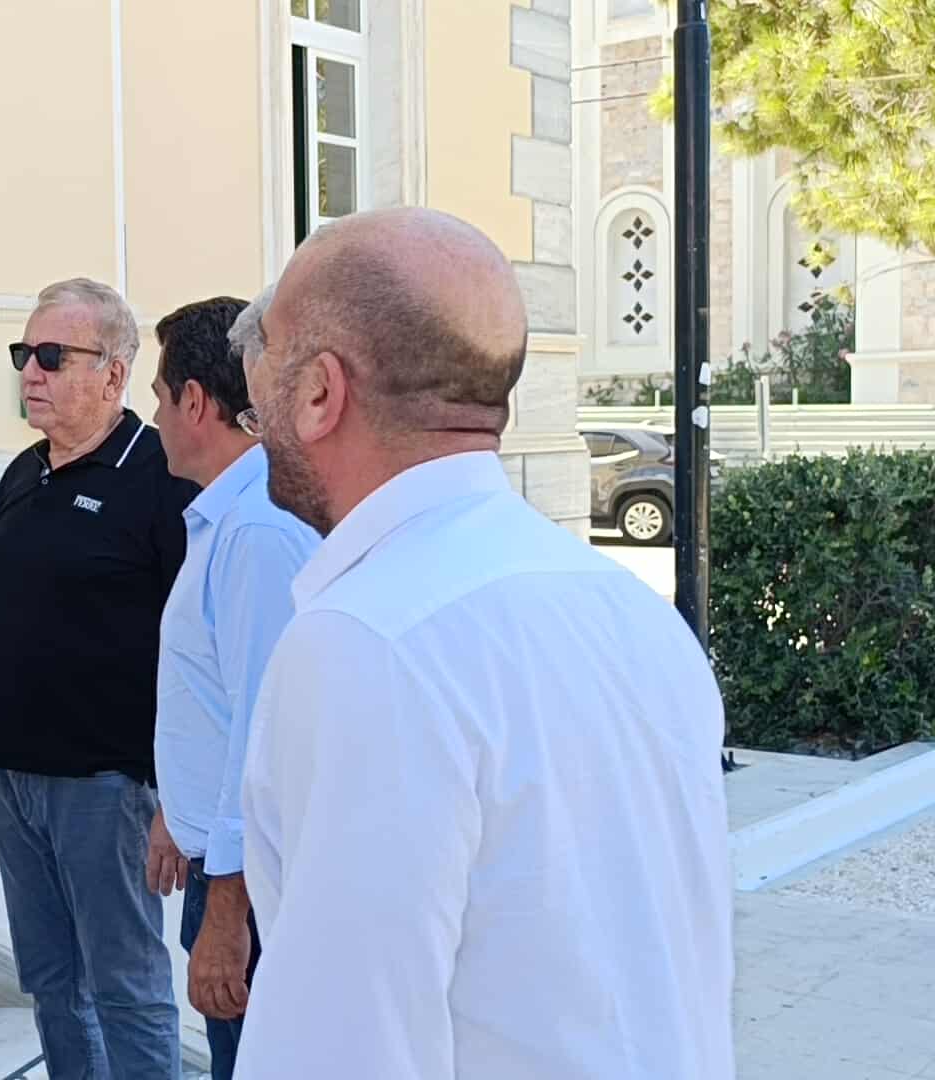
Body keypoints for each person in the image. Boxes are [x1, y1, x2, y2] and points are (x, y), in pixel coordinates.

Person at [235, 207, 734, 1078]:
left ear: (319, 393)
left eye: (269, 351)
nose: (253, 392)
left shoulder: (366, 643)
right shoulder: (631, 609)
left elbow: (344, 1045)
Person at [0, 278, 196, 1079]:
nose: (29, 373)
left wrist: (178, 795)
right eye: (24, 354)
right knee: (50, 984)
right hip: (12, 782)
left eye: (50, 355)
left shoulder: (161, 476)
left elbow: (197, 647)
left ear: (114, 373)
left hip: (109, 789)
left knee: (127, 989)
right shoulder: (22, 475)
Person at [142, 294, 318, 1080]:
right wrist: (177, 812)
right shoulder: (232, 517)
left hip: (248, 894)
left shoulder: (255, 530)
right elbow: (215, 701)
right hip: (226, 870)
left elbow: (263, 733)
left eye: (158, 395)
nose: (152, 416)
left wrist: (225, 912)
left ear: (193, 401)